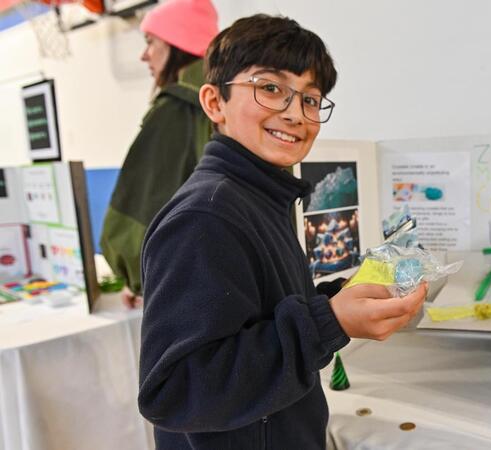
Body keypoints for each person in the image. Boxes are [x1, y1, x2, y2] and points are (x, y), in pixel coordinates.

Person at [137, 14, 428, 450]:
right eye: (270, 88)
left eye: (311, 99)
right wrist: (330, 321)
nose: (295, 114)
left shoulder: (261, 196)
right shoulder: (206, 216)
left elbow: (260, 318)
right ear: (215, 102)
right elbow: (176, 390)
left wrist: (340, 296)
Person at [100, 0, 218, 308]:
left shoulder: (177, 108)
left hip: (186, 294)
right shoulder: (226, 103)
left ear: (178, 44)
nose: (144, 55)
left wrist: (138, 277)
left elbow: (141, 206)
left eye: (150, 42)